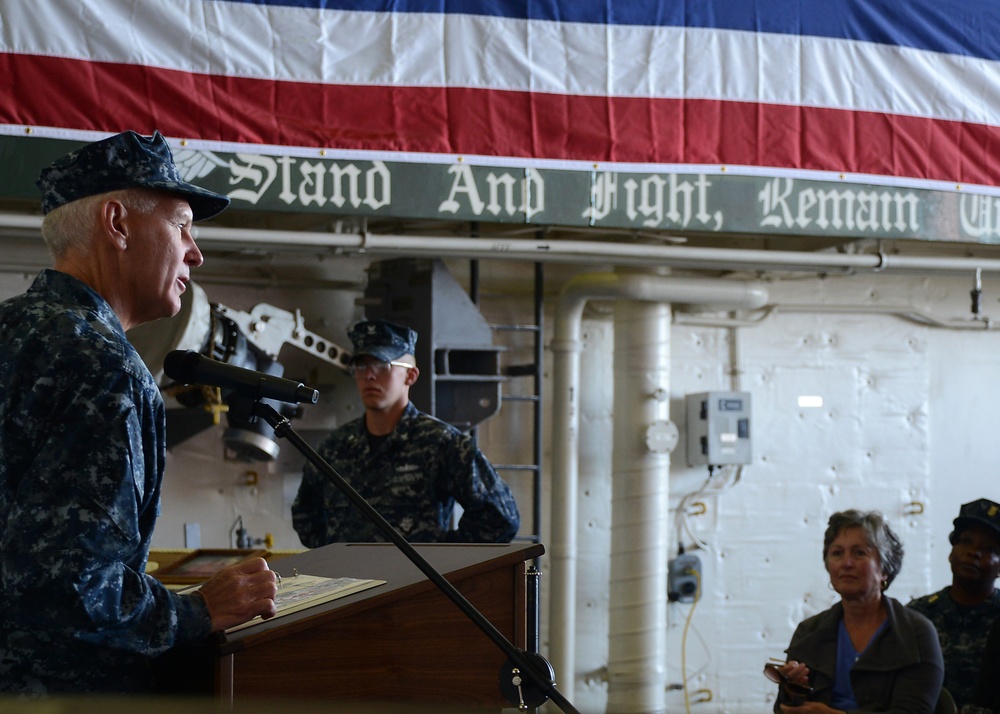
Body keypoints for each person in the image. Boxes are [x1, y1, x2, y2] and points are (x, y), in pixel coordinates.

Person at [0, 130, 278, 695]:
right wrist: (198, 612)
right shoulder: (105, 367)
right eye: (182, 225)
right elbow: (71, 584)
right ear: (118, 224)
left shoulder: (11, 330)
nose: (195, 252)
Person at [292, 319, 520, 545]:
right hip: (351, 579)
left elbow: (500, 518)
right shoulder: (334, 448)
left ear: (410, 376)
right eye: (361, 366)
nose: (369, 375)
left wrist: (445, 557)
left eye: (382, 365)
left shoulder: (442, 444)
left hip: (417, 581)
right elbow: (305, 518)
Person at [771, 509, 943, 713]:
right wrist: (794, 689)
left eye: (859, 553)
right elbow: (783, 710)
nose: (846, 563)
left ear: (885, 569)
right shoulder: (809, 632)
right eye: (837, 553)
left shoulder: (915, 633)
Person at [909, 498, 1000, 710]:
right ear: (951, 552)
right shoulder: (917, 615)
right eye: (966, 541)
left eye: (989, 549)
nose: (973, 552)